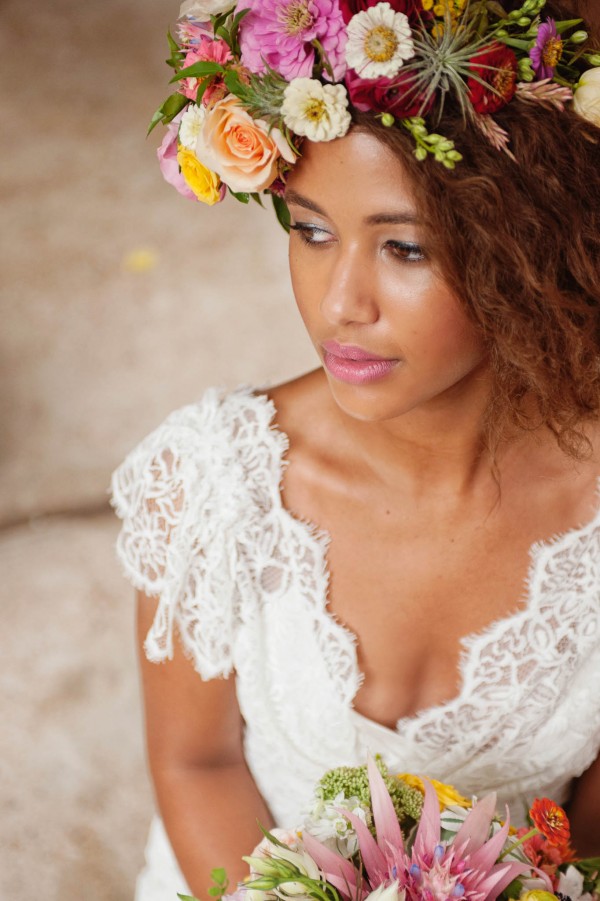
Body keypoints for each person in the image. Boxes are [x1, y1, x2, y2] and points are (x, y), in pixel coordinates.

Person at [110, 0, 600, 897]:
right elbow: (197, 765)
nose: (341, 304)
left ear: (532, 243)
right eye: (312, 231)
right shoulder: (211, 479)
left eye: (404, 248)